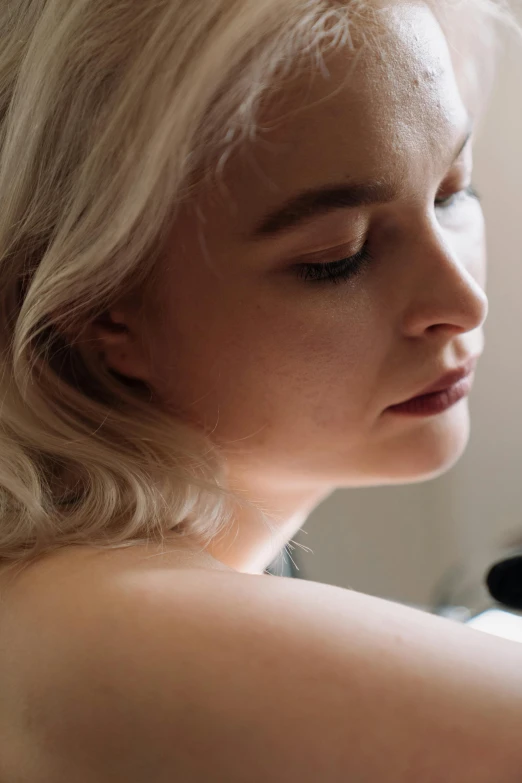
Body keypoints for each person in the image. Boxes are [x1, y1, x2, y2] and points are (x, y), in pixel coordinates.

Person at [0, 0, 521, 780]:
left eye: (451, 191)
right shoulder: (103, 621)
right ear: (101, 309)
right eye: (336, 255)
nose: (461, 302)